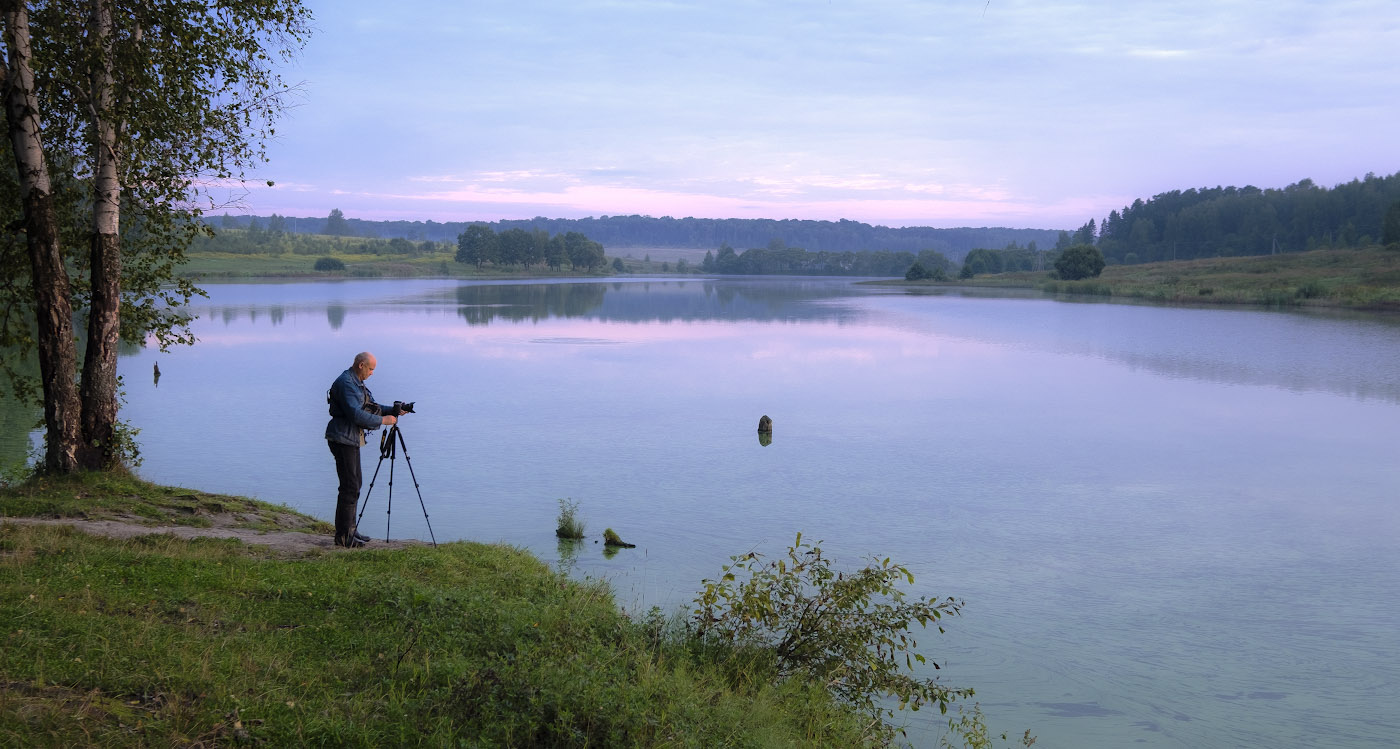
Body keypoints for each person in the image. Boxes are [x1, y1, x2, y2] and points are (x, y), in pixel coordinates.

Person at [325, 351, 400, 547]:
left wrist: (392, 410)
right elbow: (356, 415)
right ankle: (343, 537)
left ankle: (350, 530)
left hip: (350, 438)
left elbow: (368, 406)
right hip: (342, 439)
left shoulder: (355, 381)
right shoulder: (347, 384)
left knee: (355, 483)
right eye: (371, 369)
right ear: (361, 365)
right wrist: (383, 420)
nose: (372, 373)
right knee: (349, 486)